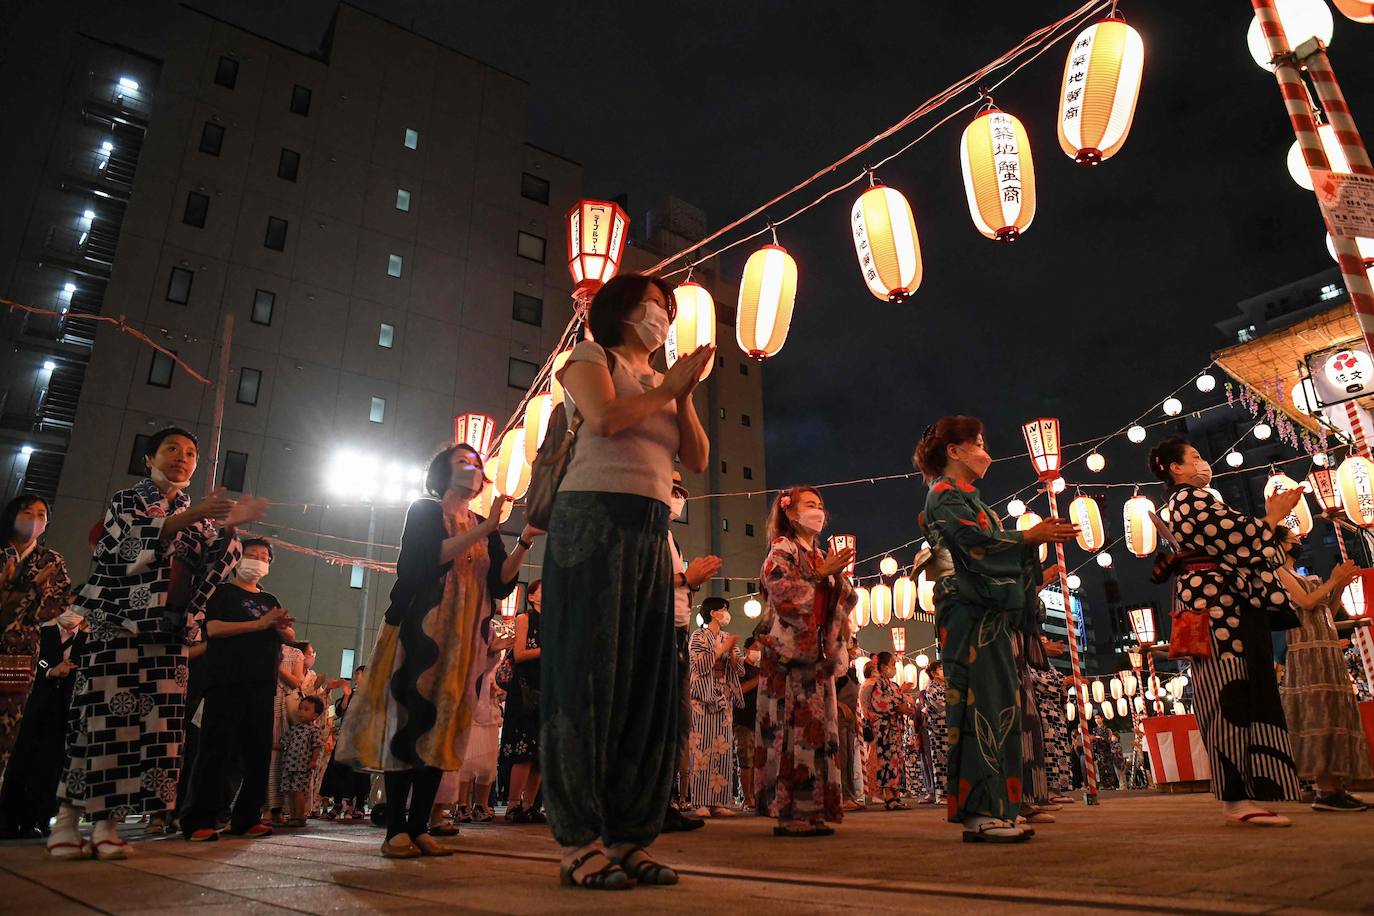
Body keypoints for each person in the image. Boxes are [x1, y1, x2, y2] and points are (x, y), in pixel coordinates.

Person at [541, 273, 712, 889]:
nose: (663, 316)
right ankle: (578, 840)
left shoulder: (665, 382)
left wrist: (681, 395)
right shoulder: (592, 357)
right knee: (588, 676)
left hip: (650, 529)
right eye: (654, 304)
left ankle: (627, 835)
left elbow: (697, 459)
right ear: (621, 309)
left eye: (667, 308)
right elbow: (606, 419)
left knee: (646, 684)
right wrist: (665, 388)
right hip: (592, 519)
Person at [49, 427, 265, 861]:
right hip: (120, 626)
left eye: (190, 453)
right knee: (100, 722)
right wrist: (196, 514)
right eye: (172, 449)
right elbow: (126, 549)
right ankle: (68, 821)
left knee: (151, 732)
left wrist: (229, 529)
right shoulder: (127, 500)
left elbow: (216, 567)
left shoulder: (197, 515)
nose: (182, 457)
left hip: (168, 634)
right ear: (150, 458)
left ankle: (107, 825)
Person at [337, 443, 534, 859]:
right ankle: (395, 829)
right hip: (420, 633)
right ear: (443, 471)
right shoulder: (425, 511)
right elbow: (423, 562)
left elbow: (500, 584)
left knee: (445, 727)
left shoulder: (484, 525)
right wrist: (484, 529)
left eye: (477, 463)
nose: (473, 467)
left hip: (466, 641)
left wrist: (524, 542)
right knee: (411, 721)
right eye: (463, 460)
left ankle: (420, 825)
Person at [914, 416, 1075, 843]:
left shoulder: (975, 502)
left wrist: (1032, 543)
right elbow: (972, 546)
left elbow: (993, 546)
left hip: (987, 611)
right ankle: (978, 811)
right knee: (977, 704)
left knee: (1000, 703)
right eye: (978, 443)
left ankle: (1000, 806)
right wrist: (1027, 539)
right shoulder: (943, 495)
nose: (985, 451)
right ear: (954, 451)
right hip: (966, 608)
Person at [1150, 434, 1303, 826]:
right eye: (1195, 457)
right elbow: (1239, 537)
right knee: (1228, 693)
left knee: (1235, 690)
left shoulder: (1190, 501)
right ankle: (1236, 797)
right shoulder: (1189, 500)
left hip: (1216, 601)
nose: (1203, 463)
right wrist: (1272, 516)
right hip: (1215, 609)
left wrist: (1268, 523)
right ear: (1176, 468)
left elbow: (1240, 540)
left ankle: (1246, 792)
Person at [754, 486, 856, 838]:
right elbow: (780, 588)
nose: (818, 511)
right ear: (790, 512)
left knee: (818, 731)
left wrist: (835, 579)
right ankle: (790, 811)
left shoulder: (820, 553)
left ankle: (814, 809)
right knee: (792, 729)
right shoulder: (783, 548)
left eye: (820, 505)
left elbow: (844, 596)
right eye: (810, 505)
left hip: (817, 653)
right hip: (790, 655)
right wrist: (819, 574)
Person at [180, 539, 295, 841]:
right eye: (252, 555)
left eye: (264, 557)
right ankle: (198, 819)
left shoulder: (269, 598)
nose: (258, 561)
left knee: (257, 753)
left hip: (262, 683)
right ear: (238, 560)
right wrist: (259, 624)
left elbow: (289, 635)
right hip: (226, 681)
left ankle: (247, 818)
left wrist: (280, 626)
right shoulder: (222, 592)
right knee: (215, 751)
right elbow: (214, 629)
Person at [1274, 527, 1371, 811]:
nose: (1298, 541)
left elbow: (1327, 607)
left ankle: (1337, 788)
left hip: (1324, 648)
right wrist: (1333, 580)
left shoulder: (1299, 574)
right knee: (1318, 715)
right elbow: (1306, 602)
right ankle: (1324, 789)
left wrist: (1339, 586)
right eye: (1292, 538)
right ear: (1280, 545)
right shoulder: (1279, 573)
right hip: (1306, 652)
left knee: (1335, 713)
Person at [664, 470, 719, 833]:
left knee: (677, 724)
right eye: (673, 488)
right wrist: (687, 578)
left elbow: (677, 587)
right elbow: (637, 579)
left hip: (678, 634)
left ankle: (667, 802)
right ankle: (654, 803)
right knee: (662, 721)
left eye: (682, 490)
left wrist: (691, 584)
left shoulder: (671, 538)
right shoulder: (644, 532)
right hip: (656, 631)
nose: (679, 496)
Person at [0, 608, 86, 838]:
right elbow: (33, 661)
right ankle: (8, 821)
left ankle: (38, 819)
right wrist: (50, 671)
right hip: (35, 706)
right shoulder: (42, 632)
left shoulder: (87, 640)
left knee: (51, 766)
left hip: (66, 712)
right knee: (22, 761)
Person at [0, 495, 72, 769]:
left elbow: (52, 607)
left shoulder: (51, 561)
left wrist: (26, 592)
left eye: (41, 514)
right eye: (27, 512)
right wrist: (30, 591)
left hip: (19, 654)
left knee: (6, 722)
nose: (34, 518)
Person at [688, 596, 744, 817]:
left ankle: (720, 801)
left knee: (723, 748)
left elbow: (738, 669)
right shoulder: (698, 636)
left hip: (723, 696)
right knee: (701, 748)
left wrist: (732, 652)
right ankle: (700, 801)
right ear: (713, 613)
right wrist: (721, 650)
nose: (726, 613)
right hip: (702, 697)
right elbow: (698, 665)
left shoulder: (726, 637)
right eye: (723, 609)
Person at [502, 580, 544, 824]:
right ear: (531, 596)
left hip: (547, 689)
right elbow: (519, 654)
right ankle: (513, 804)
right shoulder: (524, 618)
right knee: (523, 751)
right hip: (525, 691)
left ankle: (530, 805)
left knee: (540, 753)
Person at [859, 651, 912, 810]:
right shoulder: (877, 684)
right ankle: (889, 797)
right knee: (887, 761)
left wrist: (904, 705)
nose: (894, 668)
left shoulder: (892, 685)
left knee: (897, 761)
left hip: (895, 729)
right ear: (883, 667)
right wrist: (899, 705)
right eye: (892, 665)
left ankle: (895, 795)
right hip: (885, 729)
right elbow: (879, 703)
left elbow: (900, 699)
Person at [320, 666, 371, 819]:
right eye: (356, 674)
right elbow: (341, 711)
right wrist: (347, 695)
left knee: (359, 773)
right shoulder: (352, 693)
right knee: (338, 770)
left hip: (362, 739)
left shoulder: (372, 695)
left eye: (360, 675)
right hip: (345, 737)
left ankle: (358, 805)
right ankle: (338, 803)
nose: (357, 678)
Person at [267, 639, 307, 823]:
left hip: (280, 707)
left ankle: (275, 809)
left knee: (276, 761)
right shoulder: (260, 646)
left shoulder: (294, 653)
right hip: (260, 702)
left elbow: (296, 682)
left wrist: (277, 666)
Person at [280, 695, 325, 826]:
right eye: (300, 708)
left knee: (298, 791)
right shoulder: (294, 728)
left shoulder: (314, 729)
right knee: (290, 791)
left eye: (306, 709)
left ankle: (299, 816)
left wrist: (313, 761)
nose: (301, 712)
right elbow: (284, 742)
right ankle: (292, 816)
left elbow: (317, 746)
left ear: (315, 715)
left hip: (302, 766)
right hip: (289, 764)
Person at [736, 637, 762, 811]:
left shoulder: (759, 670)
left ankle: (755, 795)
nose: (758, 651)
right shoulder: (741, 669)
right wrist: (759, 679)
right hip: (743, 720)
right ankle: (747, 797)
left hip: (758, 721)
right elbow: (740, 690)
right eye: (755, 647)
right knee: (746, 760)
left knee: (756, 761)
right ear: (746, 649)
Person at [922, 660, 948, 806]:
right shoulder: (931, 689)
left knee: (950, 761)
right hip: (938, 729)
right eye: (941, 668)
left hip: (950, 728)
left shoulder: (946, 686)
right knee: (940, 762)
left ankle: (952, 793)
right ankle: (941, 795)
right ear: (934, 673)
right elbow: (941, 707)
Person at [1090, 713, 1121, 790]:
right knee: (1101, 769)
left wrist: (1100, 738)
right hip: (1098, 752)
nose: (1097, 720)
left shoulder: (1107, 729)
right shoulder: (1094, 729)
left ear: (1102, 719)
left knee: (1109, 768)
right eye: (1095, 718)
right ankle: (1104, 785)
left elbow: (1109, 740)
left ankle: (1113, 784)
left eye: (1098, 718)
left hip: (1106, 751)